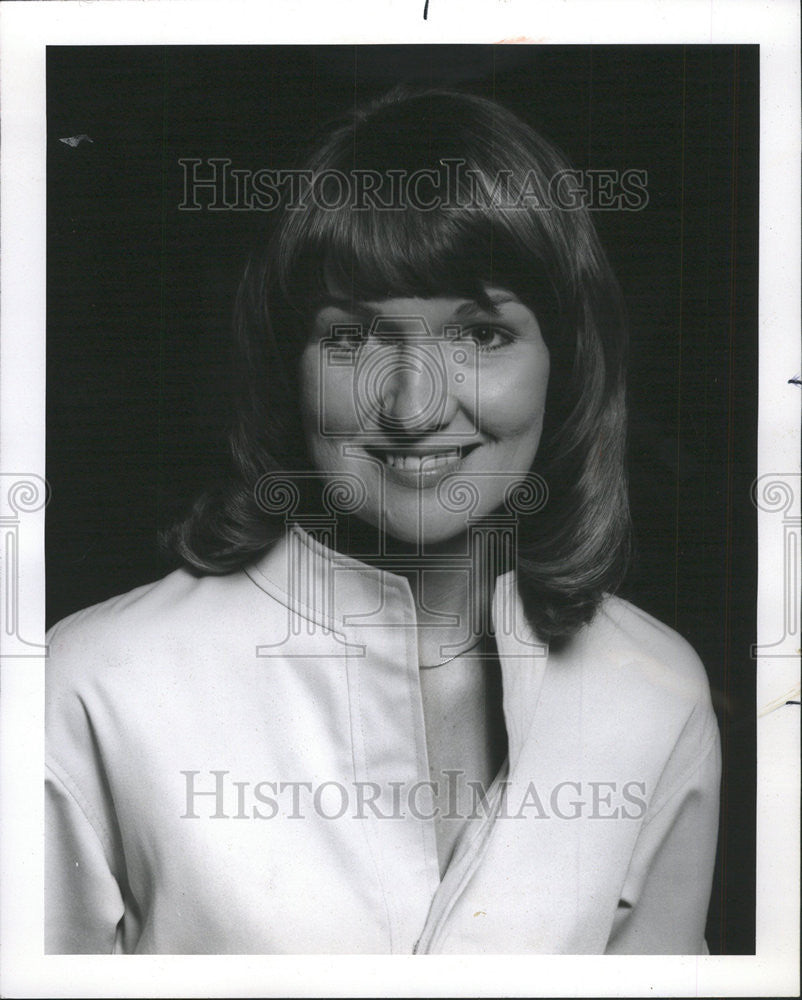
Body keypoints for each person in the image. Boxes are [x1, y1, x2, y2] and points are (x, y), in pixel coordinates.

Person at [45, 88, 721, 954]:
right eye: (353, 339)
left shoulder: (655, 693)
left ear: (568, 361)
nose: (413, 407)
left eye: (480, 335)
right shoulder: (93, 685)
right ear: (287, 367)